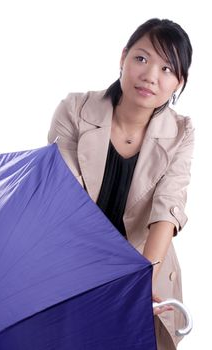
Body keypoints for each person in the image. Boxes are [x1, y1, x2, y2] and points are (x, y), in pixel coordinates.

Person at [47, 18, 194, 350]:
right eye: (141, 59)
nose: (151, 76)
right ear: (123, 57)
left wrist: (143, 280)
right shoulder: (75, 110)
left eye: (167, 68)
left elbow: (167, 209)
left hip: (144, 268)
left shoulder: (182, 133)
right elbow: (63, 197)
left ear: (178, 82)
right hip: (76, 261)